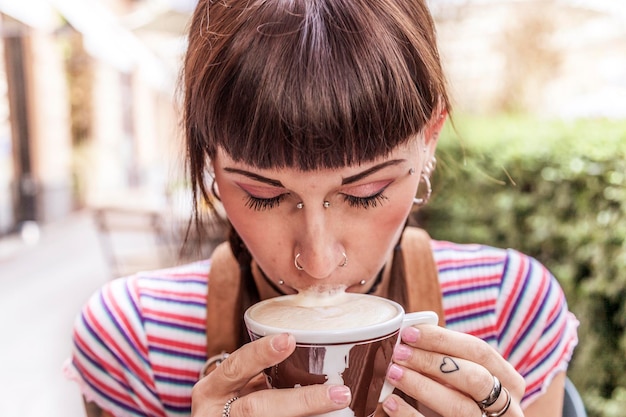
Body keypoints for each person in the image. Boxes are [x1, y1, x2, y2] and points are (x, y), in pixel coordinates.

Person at [64, 0, 579, 416]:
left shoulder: (508, 310)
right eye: (263, 194)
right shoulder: (136, 342)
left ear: (430, 141)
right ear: (210, 165)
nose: (318, 261)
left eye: (365, 191)